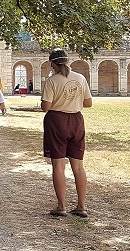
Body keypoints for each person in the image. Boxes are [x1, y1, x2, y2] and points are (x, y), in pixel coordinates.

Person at [41, 48, 92, 218]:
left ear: (52, 64)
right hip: (76, 120)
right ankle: (81, 206)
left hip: (57, 121)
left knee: (58, 165)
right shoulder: (80, 78)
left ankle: (61, 206)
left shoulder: (52, 81)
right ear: (68, 61)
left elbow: (45, 107)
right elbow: (88, 103)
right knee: (78, 166)